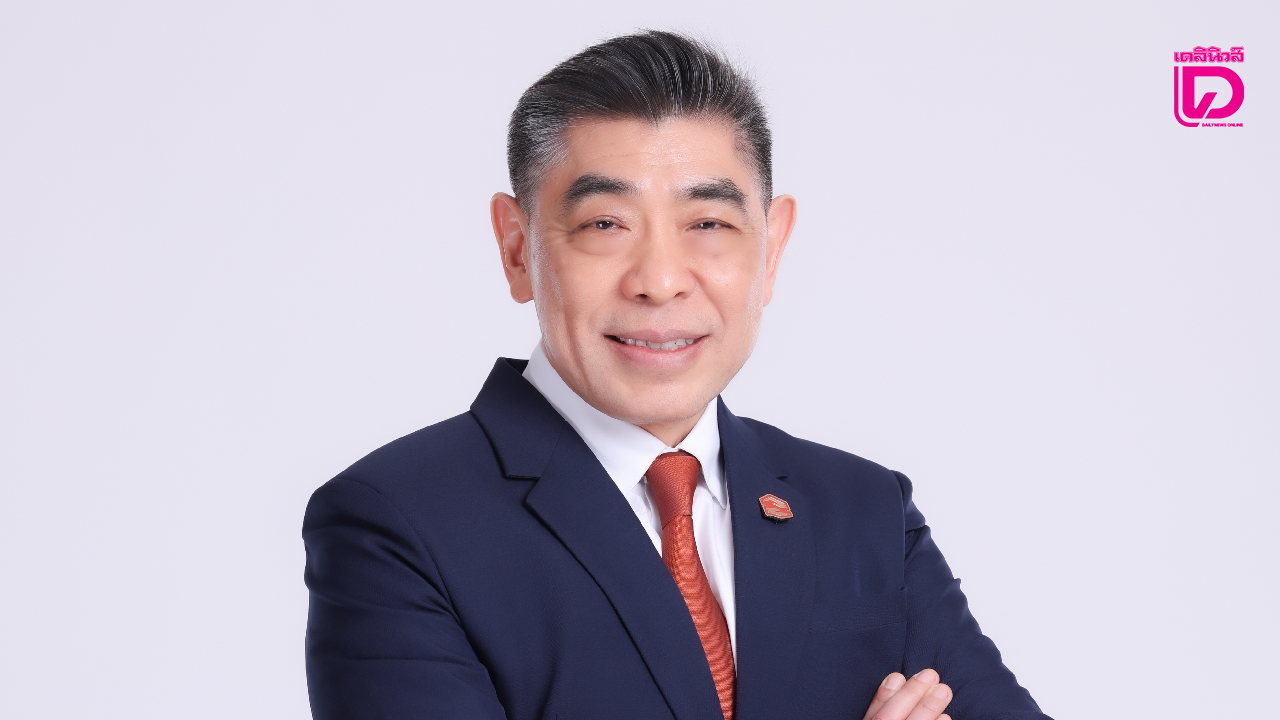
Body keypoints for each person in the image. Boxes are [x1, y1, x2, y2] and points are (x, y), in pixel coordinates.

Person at [302, 30, 1049, 720]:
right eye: (605, 224)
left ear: (772, 248)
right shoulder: (398, 524)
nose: (660, 281)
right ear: (517, 247)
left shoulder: (863, 511)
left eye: (709, 224)